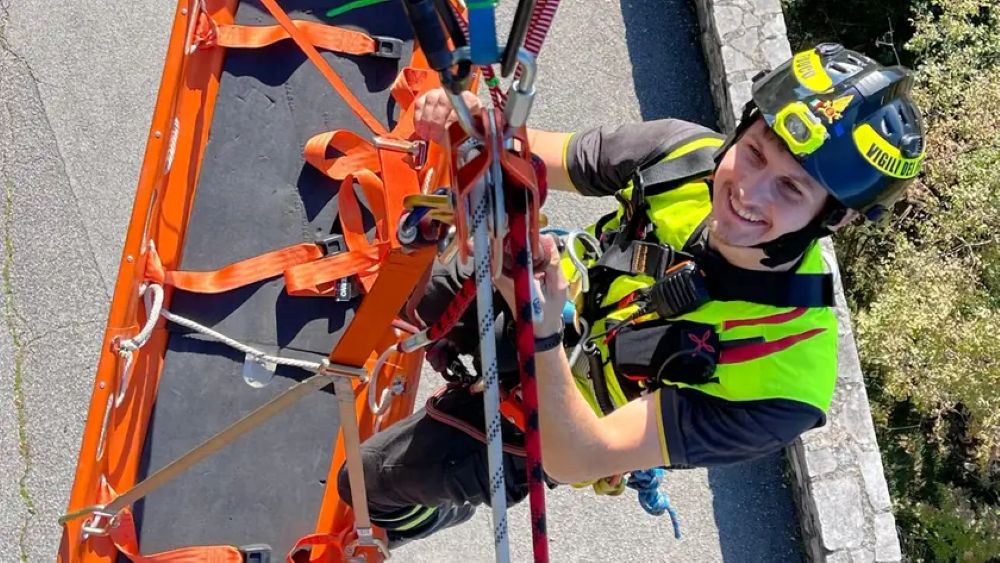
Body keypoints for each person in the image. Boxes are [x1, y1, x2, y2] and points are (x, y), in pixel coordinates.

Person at [337, 43, 926, 544]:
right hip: (545, 288)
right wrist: (475, 123)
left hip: (557, 418)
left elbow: (578, 456)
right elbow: (546, 155)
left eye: (791, 189)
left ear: (833, 219)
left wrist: (538, 328)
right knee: (409, 295)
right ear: (744, 125)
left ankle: (425, 511)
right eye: (753, 153)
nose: (747, 192)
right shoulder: (684, 156)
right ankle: (445, 351)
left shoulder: (784, 377)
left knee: (365, 483)